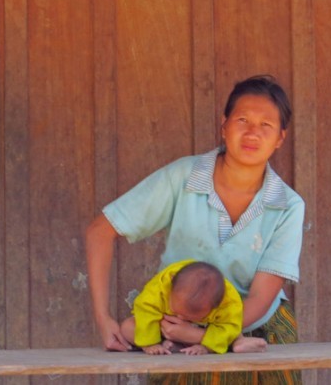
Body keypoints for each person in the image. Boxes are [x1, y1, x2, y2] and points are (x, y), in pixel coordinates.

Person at [86, 74, 304, 383]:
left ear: (281, 137)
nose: (253, 132)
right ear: (224, 124)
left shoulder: (288, 206)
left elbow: (258, 301)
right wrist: (103, 318)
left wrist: (205, 336)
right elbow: (100, 231)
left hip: (254, 328)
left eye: (266, 125)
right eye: (242, 119)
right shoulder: (183, 177)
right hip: (176, 325)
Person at [120, 259, 267, 355]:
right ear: (170, 285)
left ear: (217, 305)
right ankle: (163, 345)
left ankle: (238, 343)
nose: (181, 318)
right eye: (177, 310)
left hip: (203, 331)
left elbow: (229, 324)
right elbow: (145, 309)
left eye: (191, 317)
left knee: (233, 330)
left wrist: (206, 347)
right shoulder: (160, 287)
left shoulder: (228, 302)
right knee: (127, 327)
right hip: (161, 327)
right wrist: (150, 343)